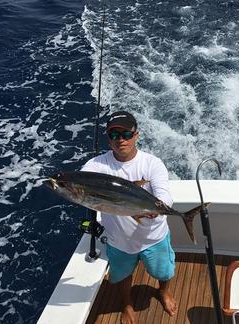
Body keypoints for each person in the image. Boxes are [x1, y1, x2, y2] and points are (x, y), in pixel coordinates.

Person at [81, 111, 178, 324]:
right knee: (121, 277)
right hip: (119, 242)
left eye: (126, 134)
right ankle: (126, 303)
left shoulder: (152, 163)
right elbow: (85, 179)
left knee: (163, 271)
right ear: (108, 139)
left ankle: (163, 292)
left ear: (136, 135)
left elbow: (164, 194)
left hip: (154, 237)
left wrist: (159, 206)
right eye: (114, 135)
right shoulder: (96, 166)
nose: (121, 140)